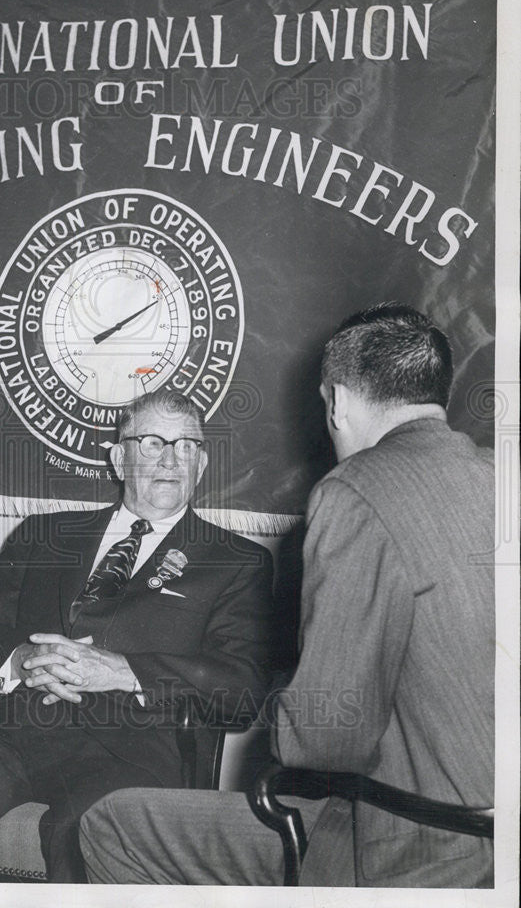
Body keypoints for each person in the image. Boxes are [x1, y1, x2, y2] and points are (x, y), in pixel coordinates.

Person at [80, 303, 495, 888]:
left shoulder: (356, 489)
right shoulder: (497, 476)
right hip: (494, 841)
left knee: (116, 824)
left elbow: (325, 740)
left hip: (408, 845)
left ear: (339, 401)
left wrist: (279, 704)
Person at [0, 390, 276, 882]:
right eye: (153, 443)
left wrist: (124, 672)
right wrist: (22, 658)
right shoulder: (43, 535)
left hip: (129, 753)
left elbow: (242, 689)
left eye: (186, 447)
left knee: (84, 838)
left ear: (201, 464)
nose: (170, 459)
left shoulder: (237, 563)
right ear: (118, 458)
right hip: (7, 731)